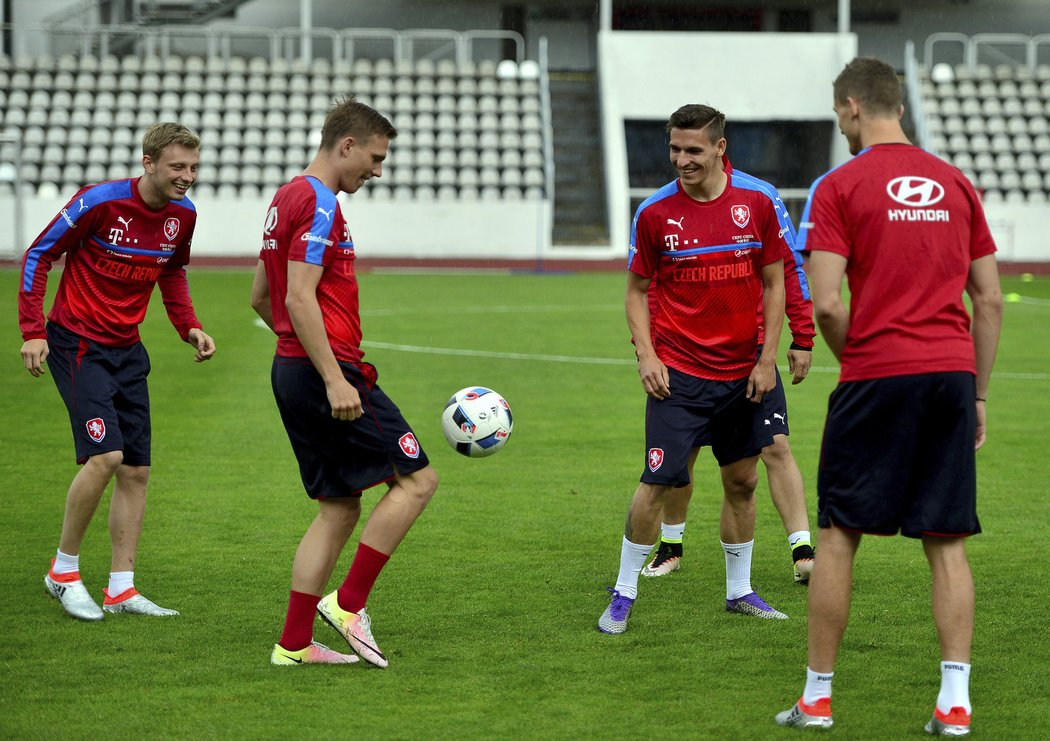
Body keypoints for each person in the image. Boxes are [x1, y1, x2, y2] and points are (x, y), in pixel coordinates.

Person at [775, 57, 1002, 736]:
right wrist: (980, 393)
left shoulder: (837, 186)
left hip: (877, 373)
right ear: (898, 106)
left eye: (838, 115)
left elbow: (826, 303)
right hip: (952, 376)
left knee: (840, 534)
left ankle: (817, 699)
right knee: (947, 539)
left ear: (850, 108)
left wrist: (862, 360)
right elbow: (988, 298)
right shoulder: (958, 183)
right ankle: (954, 702)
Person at [251, 96, 439, 667]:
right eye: (375, 158)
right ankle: (350, 603)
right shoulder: (321, 202)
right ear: (347, 145)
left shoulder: (285, 197)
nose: (376, 171)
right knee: (417, 482)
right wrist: (333, 377)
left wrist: (293, 347)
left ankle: (293, 644)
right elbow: (296, 295)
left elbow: (261, 295)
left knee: (338, 507)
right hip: (328, 371)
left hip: (292, 367)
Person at [598, 103, 791, 635]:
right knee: (657, 482)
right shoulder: (655, 213)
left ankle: (740, 591)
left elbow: (775, 283)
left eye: (693, 150)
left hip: (746, 375)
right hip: (679, 377)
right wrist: (647, 355)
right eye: (674, 150)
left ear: (720, 149)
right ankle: (623, 592)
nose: (681, 160)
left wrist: (768, 358)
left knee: (744, 481)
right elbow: (635, 293)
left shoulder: (755, 204)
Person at [19, 122, 215, 621]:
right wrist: (32, 329)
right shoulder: (98, 202)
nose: (187, 176)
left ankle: (122, 588)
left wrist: (188, 326)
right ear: (148, 163)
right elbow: (39, 253)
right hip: (77, 343)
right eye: (177, 166)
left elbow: (171, 271)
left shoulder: (183, 216)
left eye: (193, 167)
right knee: (106, 456)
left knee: (136, 469)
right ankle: (62, 573)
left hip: (128, 350)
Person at [642, 225, 817, 584]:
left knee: (775, 446)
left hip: (751, 353)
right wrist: (650, 350)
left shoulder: (759, 198)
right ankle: (671, 546)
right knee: (681, 454)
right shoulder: (666, 210)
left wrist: (802, 333)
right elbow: (650, 284)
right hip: (685, 355)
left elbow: (787, 267)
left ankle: (802, 552)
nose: (685, 164)